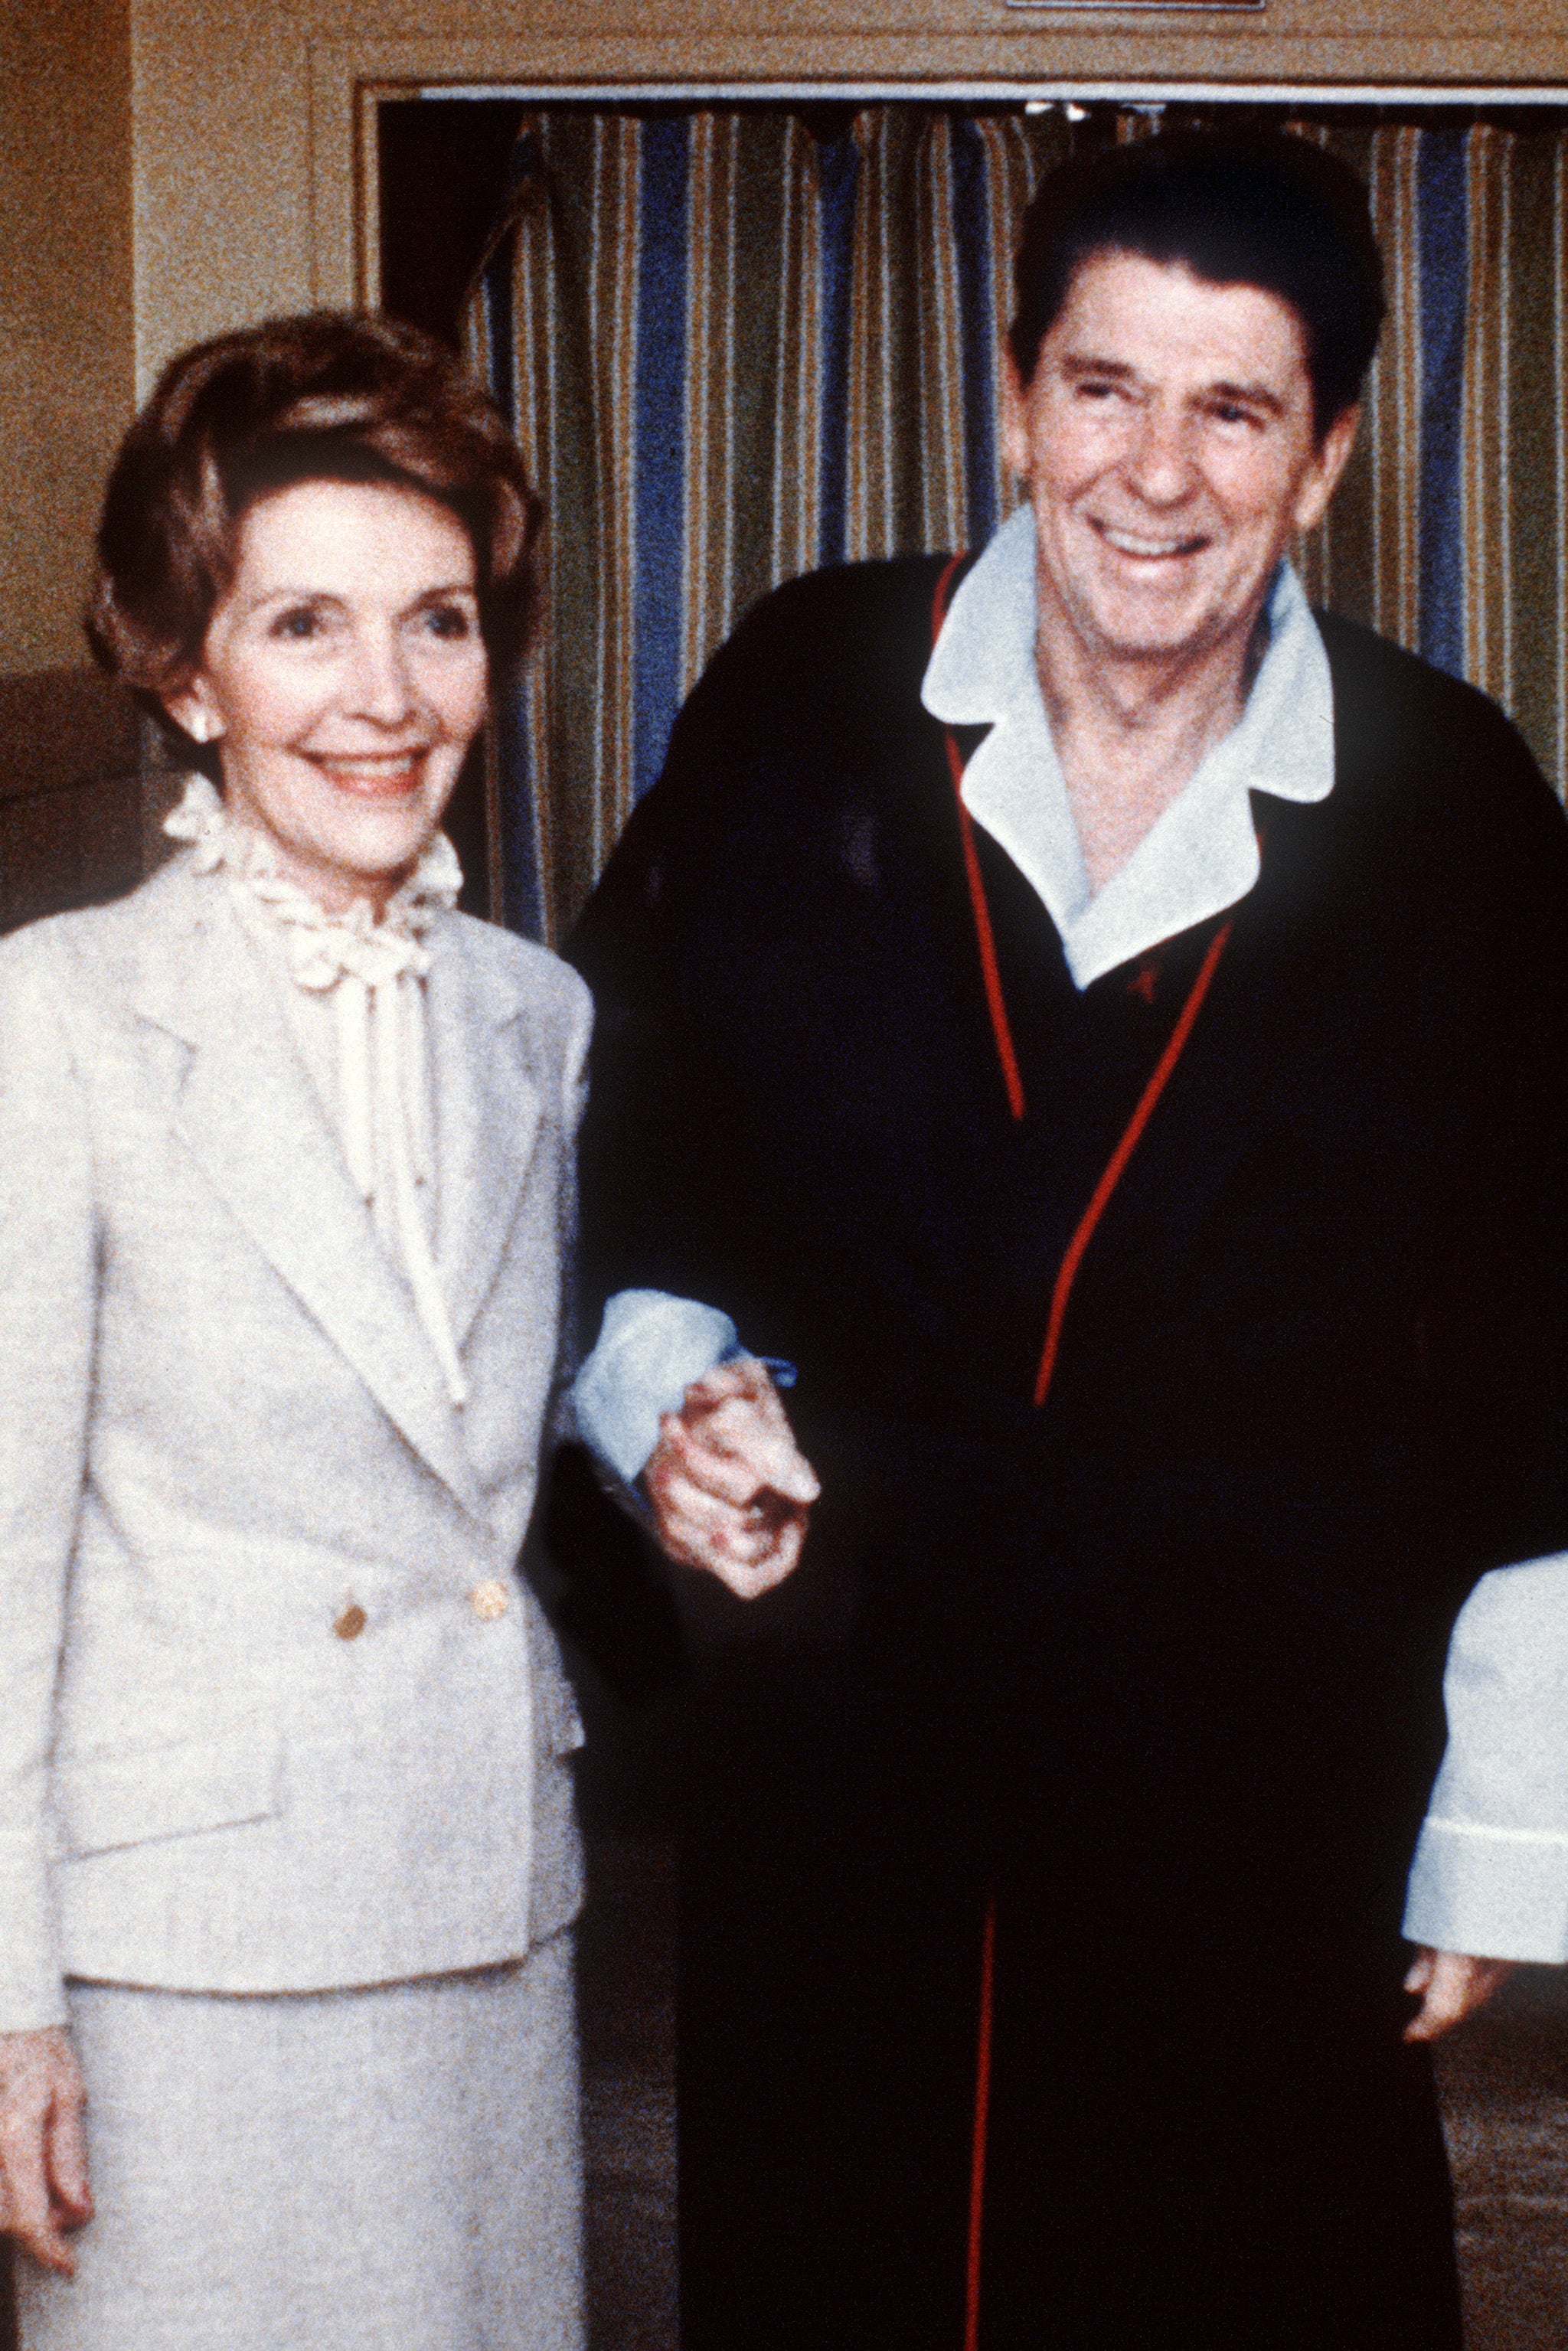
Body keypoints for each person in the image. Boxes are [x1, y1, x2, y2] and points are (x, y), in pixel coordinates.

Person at [566, 132, 1568, 2351]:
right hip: (848, 1766)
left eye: (1234, 409)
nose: (1154, 473)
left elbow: (1536, 1347)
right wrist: (667, 1409)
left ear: (1325, 457)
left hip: (1257, 1791)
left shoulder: (1458, 808)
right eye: (1104, 389)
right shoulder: (811, 687)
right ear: (1014, 397)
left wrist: (1499, 1819)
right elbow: (636, 1139)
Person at [0, 312, 590, 2351]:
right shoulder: (58, 1018)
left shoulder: (539, 1018)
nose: (386, 697)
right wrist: (10, 2010)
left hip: (493, 1909)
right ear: (181, 668)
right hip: (189, 1962)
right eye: (304, 626)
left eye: (437, 624)